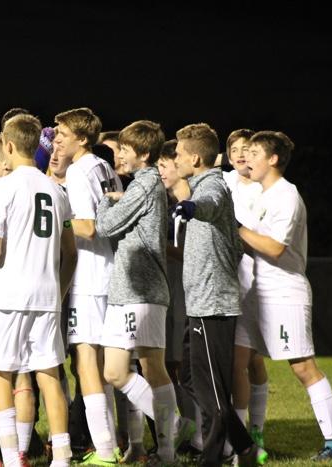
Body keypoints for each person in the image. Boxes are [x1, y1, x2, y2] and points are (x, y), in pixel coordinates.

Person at [0, 114, 77, 467]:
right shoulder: (57, 190)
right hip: (46, 295)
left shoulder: (1, 189)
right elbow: (70, 254)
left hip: (10, 295)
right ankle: (63, 457)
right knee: (49, 374)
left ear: (8, 147)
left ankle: (10, 457)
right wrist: (58, 291)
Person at [240, 130, 332, 461]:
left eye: (255, 153)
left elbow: (273, 247)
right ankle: (244, 441)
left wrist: (235, 229)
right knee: (237, 361)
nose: (248, 158)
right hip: (253, 291)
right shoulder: (259, 193)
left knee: (302, 368)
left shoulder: (286, 195)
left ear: (273, 159)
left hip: (283, 292)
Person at [173, 123, 265, 467]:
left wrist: (190, 208)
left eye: (180, 153)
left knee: (212, 393)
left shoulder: (211, 186)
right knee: (190, 379)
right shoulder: (202, 185)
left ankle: (211, 459)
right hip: (200, 304)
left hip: (212, 305)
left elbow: (208, 204)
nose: (176, 157)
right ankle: (243, 445)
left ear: (195, 158)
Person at [96, 120, 184, 467]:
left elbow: (105, 226)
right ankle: (164, 432)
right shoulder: (142, 186)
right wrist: (121, 197)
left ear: (143, 153)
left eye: (125, 149)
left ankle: (168, 449)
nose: (119, 154)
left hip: (143, 289)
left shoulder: (146, 184)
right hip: (126, 290)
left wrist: (104, 200)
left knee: (153, 368)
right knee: (116, 371)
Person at [53, 107, 122, 465]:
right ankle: (116, 444)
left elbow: (88, 226)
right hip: (108, 273)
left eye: (62, 134)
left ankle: (107, 451)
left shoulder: (80, 171)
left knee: (87, 364)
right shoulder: (104, 166)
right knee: (106, 367)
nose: (56, 139)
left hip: (90, 276)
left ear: (82, 138)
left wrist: (57, 223)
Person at [221, 129, 269, 458]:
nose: (240, 154)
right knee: (236, 361)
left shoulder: (266, 190)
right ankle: (239, 439)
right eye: (234, 149)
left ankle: (254, 433)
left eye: (246, 149)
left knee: (249, 360)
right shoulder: (223, 182)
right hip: (226, 280)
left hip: (255, 281)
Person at [157, 140, 202, 457]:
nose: (161, 171)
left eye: (165, 165)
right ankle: (186, 431)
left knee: (189, 367)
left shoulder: (196, 202)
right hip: (168, 290)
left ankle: (202, 436)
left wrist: (158, 245)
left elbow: (194, 253)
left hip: (189, 292)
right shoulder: (165, 203)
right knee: (171, 366)